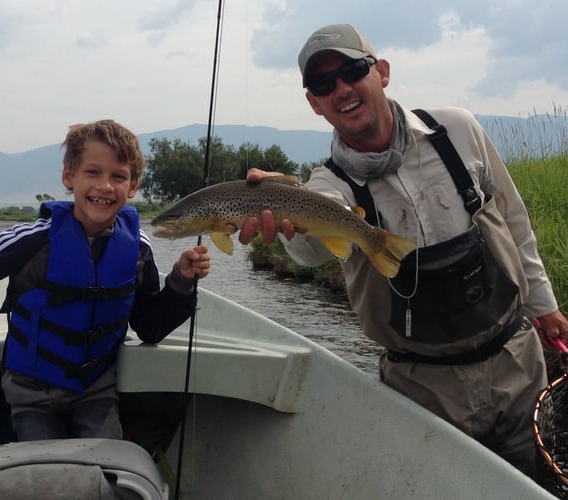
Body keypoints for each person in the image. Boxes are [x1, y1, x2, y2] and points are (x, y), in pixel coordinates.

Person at [238, 24, 568, 479]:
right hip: (421, 390)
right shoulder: (327, 185)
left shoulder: (457, 129)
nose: (342, 89)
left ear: (383, 72)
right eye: (322, 84)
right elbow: (311, 253)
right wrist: (283, 205)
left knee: (535, 484)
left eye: (353, 70)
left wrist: (544, 306)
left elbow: (513, 219)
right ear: (314, 103)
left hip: (517, 363)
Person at [0, 119, 211, 441]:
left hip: (97, 391)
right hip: (31, 394)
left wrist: (181, 281)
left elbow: (149, 327)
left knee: (104, 466)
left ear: (132, 186)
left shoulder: (138, 248)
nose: (105, 186)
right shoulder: (34, 239)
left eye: (118, 176)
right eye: (92, 172)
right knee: (43, 470)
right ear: (69, 176)